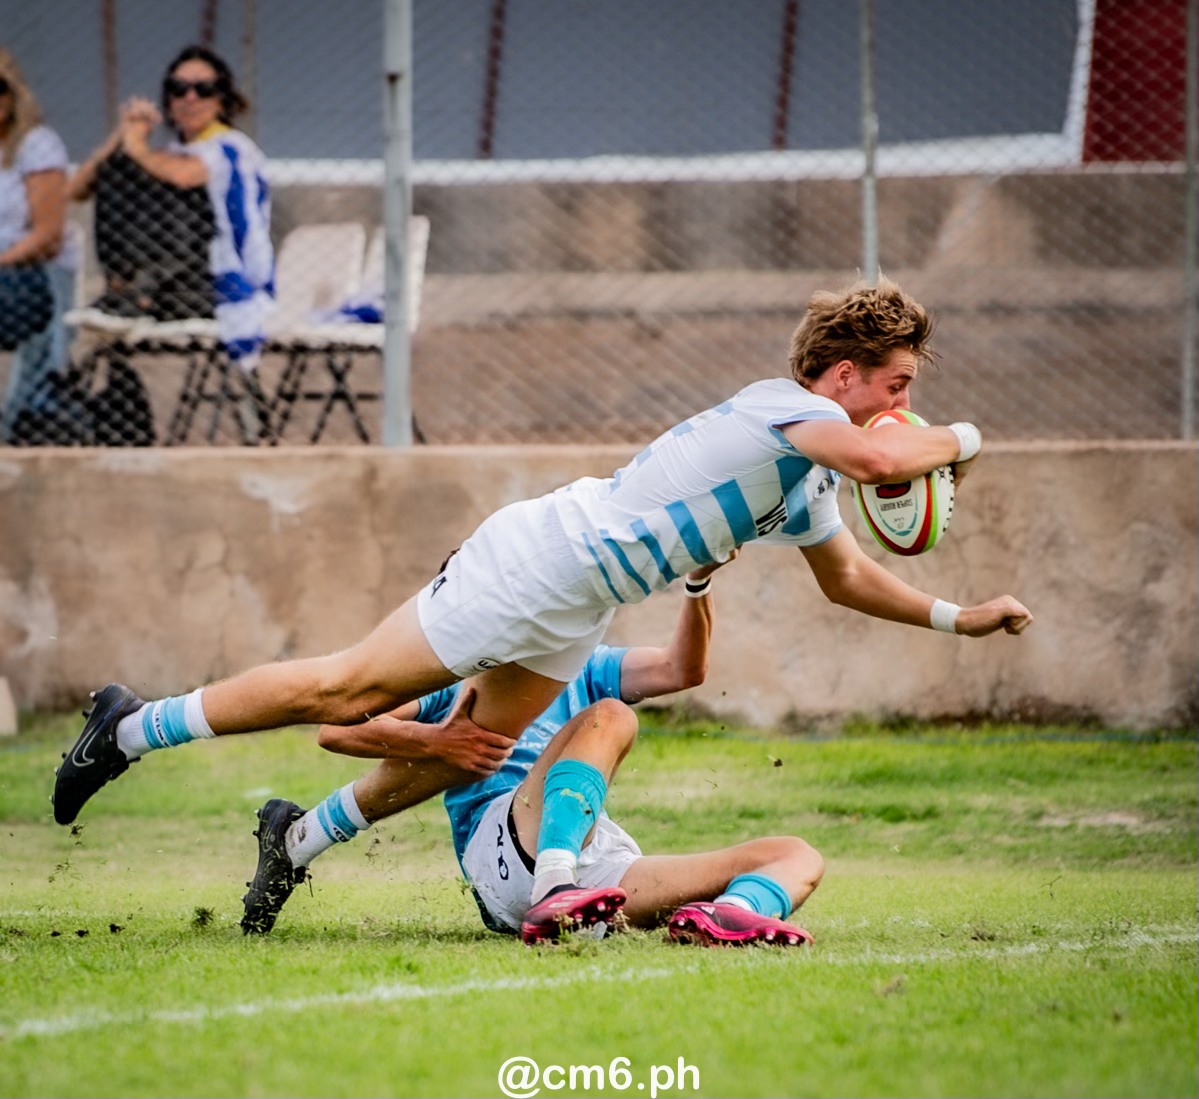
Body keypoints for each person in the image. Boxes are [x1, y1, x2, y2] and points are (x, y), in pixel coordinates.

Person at [52, 277, 1034, 830]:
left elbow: (848, 576)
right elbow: (878, 452)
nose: (903, 406)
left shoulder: (813, 470)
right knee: (346, 691)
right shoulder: (795, 410)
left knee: (465, 753)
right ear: (846, 372)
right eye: (896, 383)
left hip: (575, 605)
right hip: (543, 560)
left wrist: (960, 616)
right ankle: (131, 727)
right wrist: (967, 435)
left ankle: (294, 841)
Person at [240, 552, 823, 946]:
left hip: (601, 867)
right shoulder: (455, 678)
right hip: (507, 853)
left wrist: (698, 582)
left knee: (795, 855)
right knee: (612, 717)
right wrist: (441, 738)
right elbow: (335, 731)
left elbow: (682, 669)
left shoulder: (584, 666)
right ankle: (555, 887)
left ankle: (715, 919)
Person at [69, 45, 273, 372]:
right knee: (119, 169)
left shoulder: (232, 147)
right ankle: (128, 288)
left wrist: (136, 147)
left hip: (221, 281)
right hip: (174, 280)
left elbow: (183, 176)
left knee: (139, 168)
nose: (190, 98)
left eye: (203, 90)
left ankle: (140, 292)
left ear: (222, 99)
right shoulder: (175, 150)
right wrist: (120, 135)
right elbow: (76, 189)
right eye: (179, 89)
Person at [0, 49, 77, 443]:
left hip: (32, 276)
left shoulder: (36, 144)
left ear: (14, 95)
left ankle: (17, 425)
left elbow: (48, 237)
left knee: (24, 411)